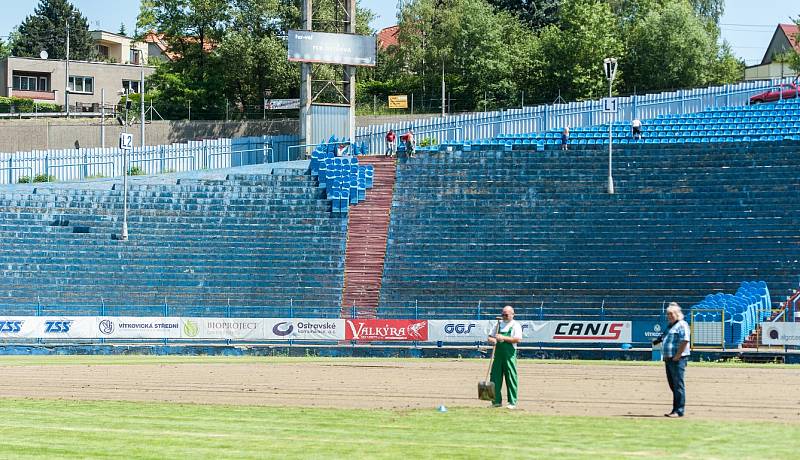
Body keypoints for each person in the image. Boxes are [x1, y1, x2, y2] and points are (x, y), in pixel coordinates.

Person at [652, 302, 690, 417]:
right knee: (673, 385)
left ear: (678, 314)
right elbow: (663, 339)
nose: (669, 316)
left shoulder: (682, 324)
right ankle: (675, 409)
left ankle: (679, 411)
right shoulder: (671, 326)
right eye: (668, 314)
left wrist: (678, 355)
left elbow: (685, 341)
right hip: (669, 359)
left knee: (678, 385)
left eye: (671, 314)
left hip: (677, 359)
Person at [487, 305, 523, 409]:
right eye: (503, 314)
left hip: (509, 355)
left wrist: (503, 337)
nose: (504, 316)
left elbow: (518, 339)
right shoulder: (498, 324)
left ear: (512, 314)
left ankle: (512, 402)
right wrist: (492, 340)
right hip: (497, 356)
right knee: (495, 378)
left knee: (511, 378)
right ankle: (496, 401)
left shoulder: (516, 325)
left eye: (506, 315)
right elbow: (490, 336)